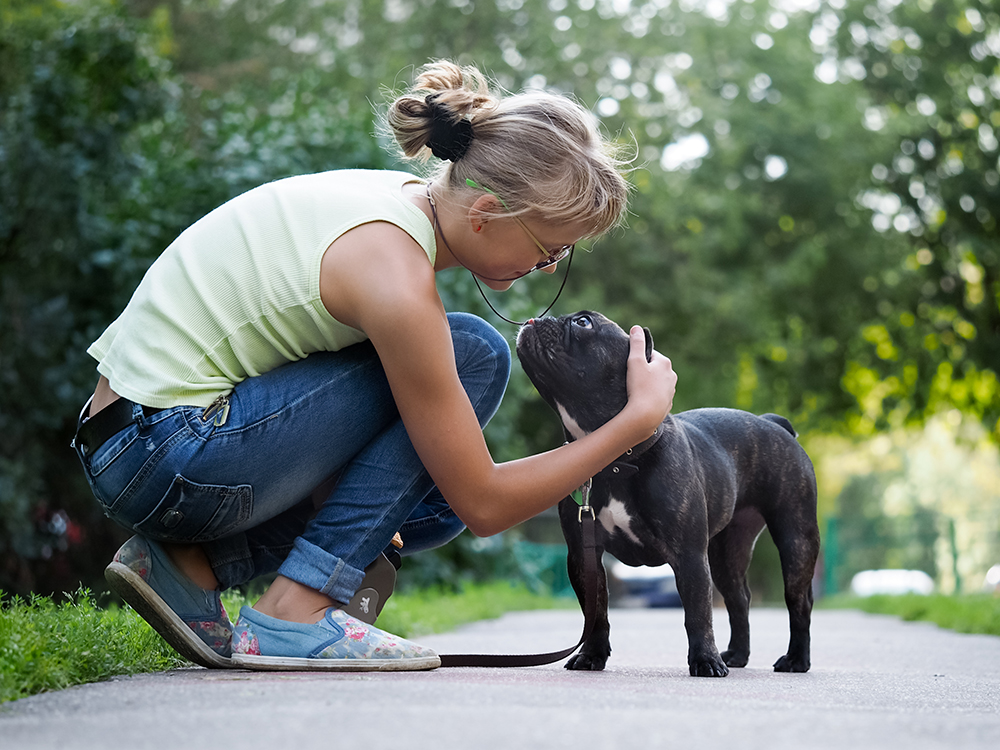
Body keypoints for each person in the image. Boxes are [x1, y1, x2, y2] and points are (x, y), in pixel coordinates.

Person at [71, 60, 677, 671]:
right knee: (474, 356)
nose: (548, 268)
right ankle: (296, 612)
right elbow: (487, 506)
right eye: (551, 248)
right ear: (487, 212)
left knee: (431, 506)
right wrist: (633, 422)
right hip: (166, 452)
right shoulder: (394, 273)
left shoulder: (394, 203)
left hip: (134, 442)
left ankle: (191, 563)